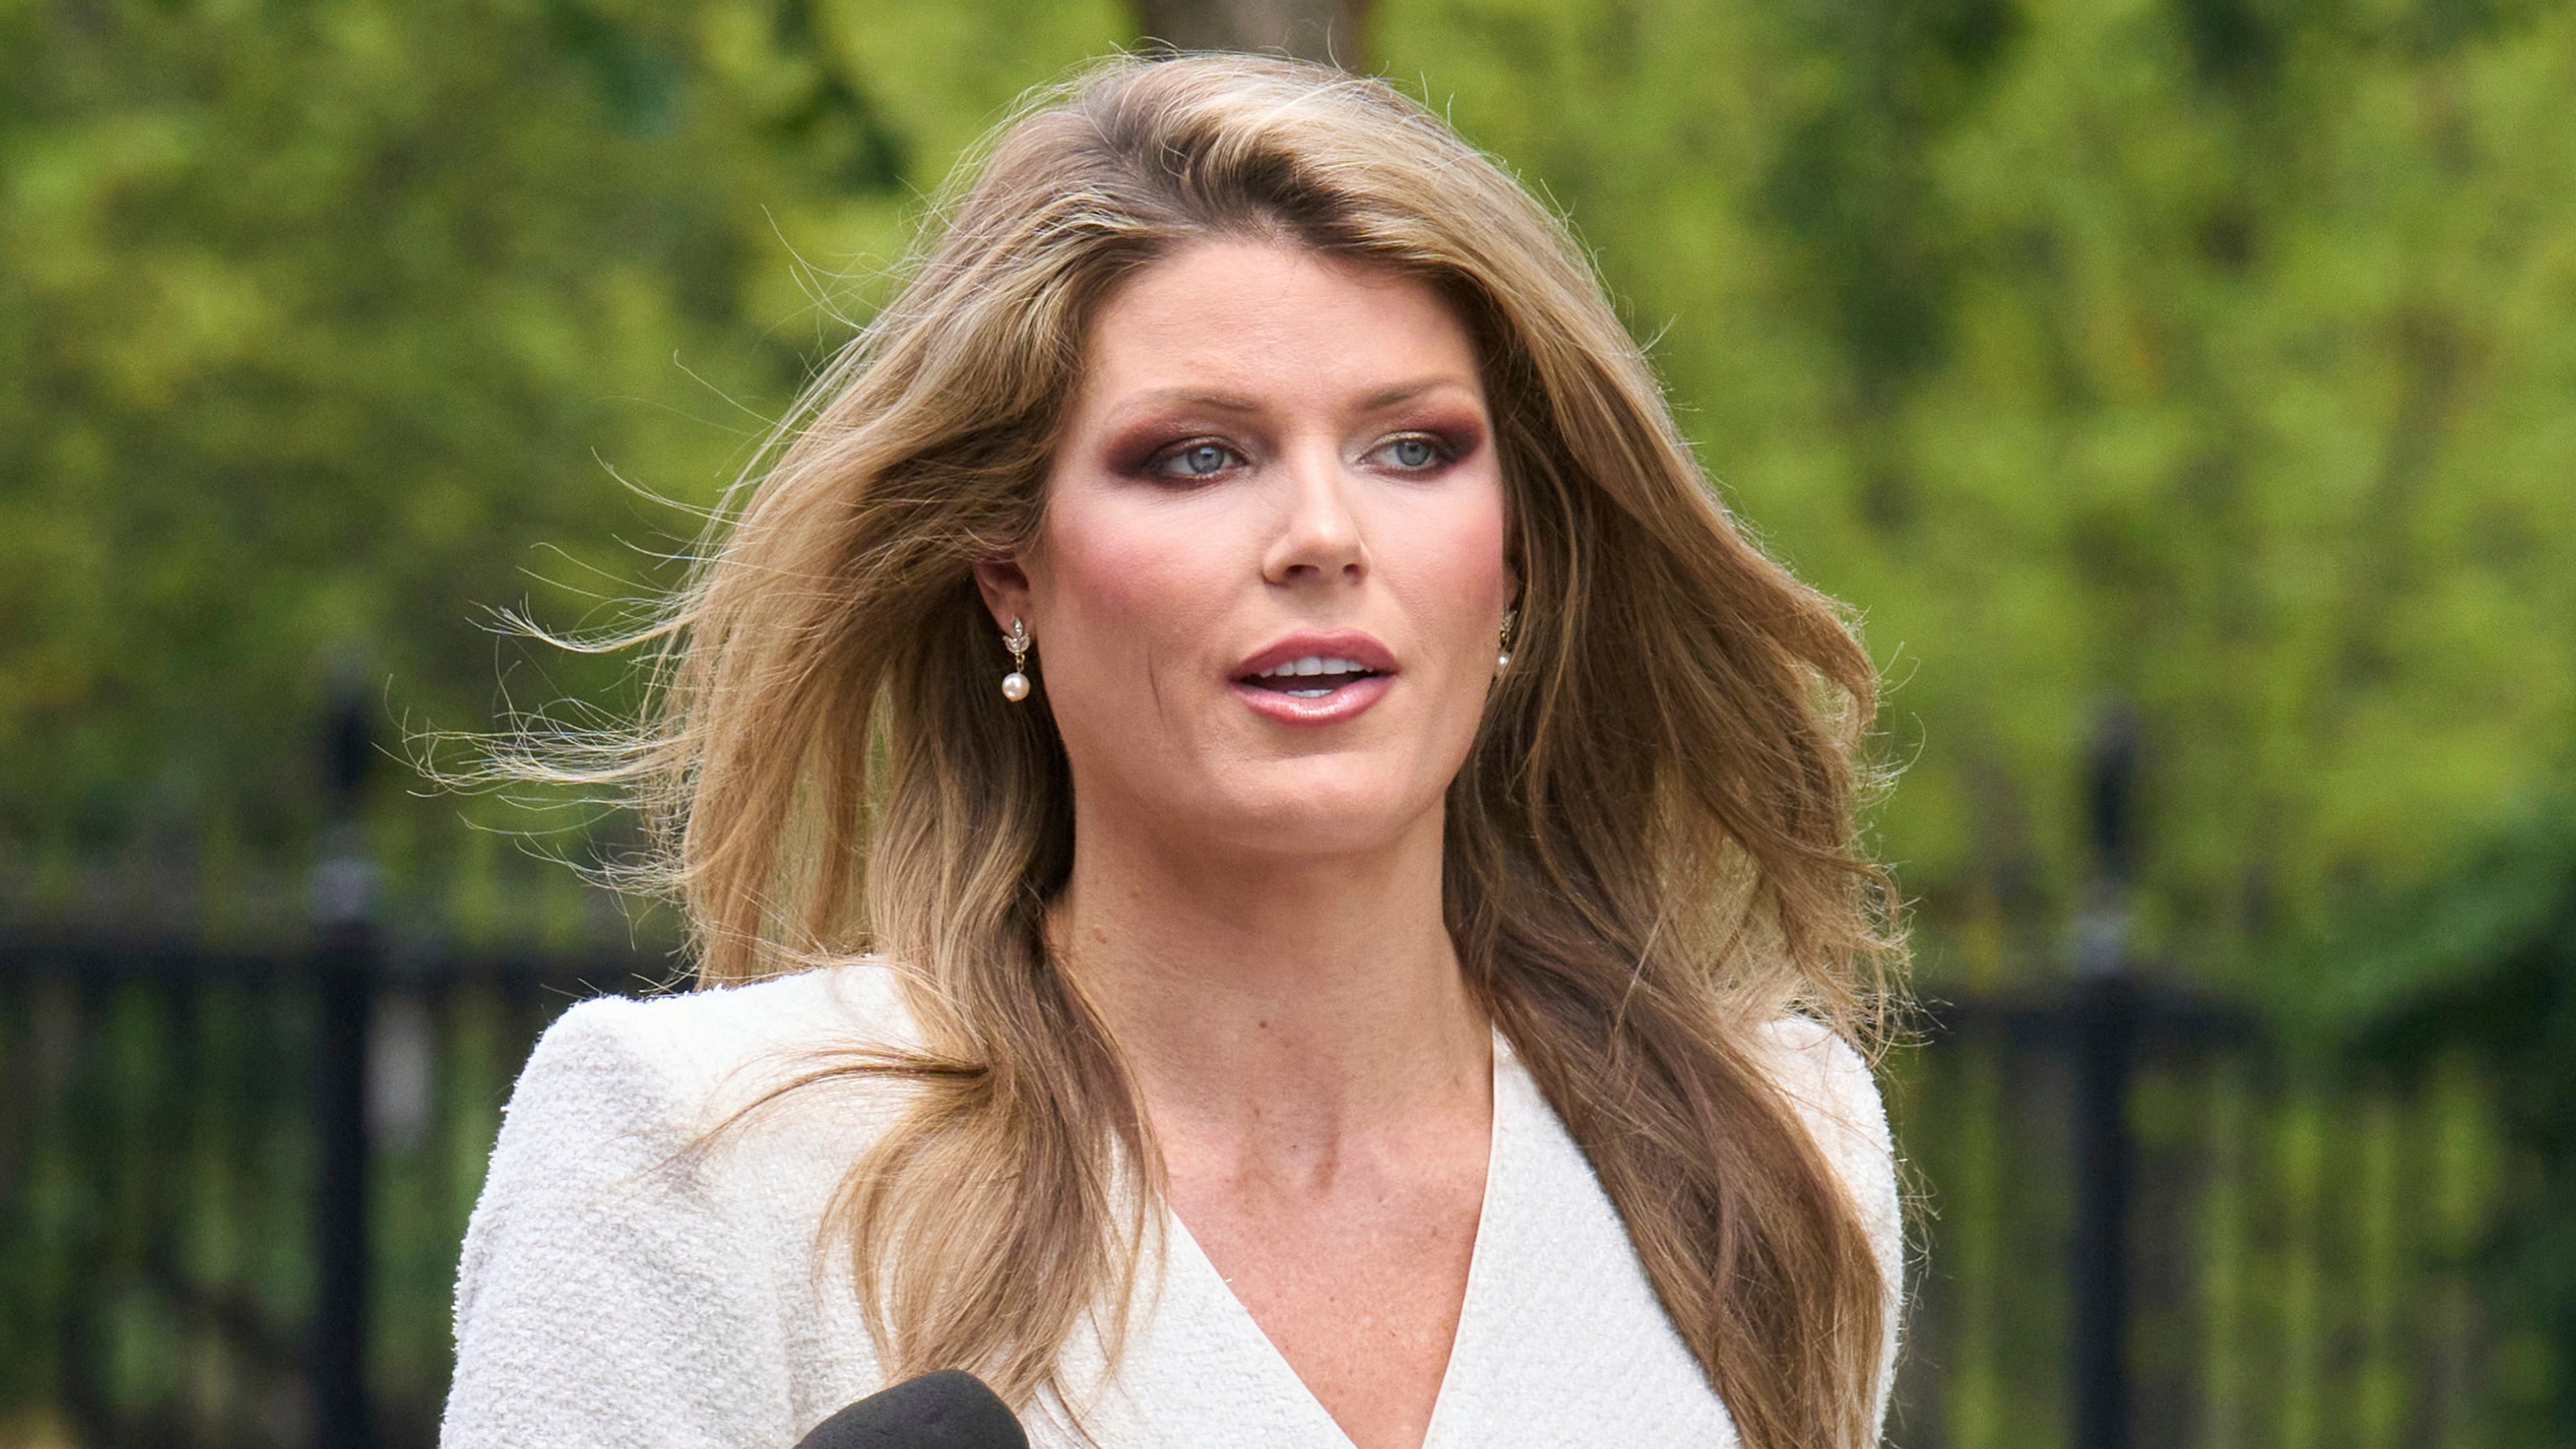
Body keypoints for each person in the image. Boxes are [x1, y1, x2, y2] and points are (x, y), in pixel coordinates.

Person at [442, 52, 1906, 1449]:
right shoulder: (701, 1162)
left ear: (1514, 553)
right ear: (1009, 567)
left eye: (1413, 448)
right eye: (1198, 455)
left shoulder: (1767, 1149)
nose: (1324, 536)